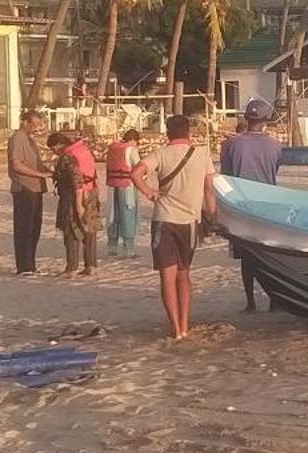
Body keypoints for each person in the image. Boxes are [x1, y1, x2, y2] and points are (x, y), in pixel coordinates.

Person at [132, 114, 216, 340]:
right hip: (189, 221)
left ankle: (176, 329)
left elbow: (135, 173)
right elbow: (209, 190)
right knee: (184, 274)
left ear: (168, 132)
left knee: (166, 277)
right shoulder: (203, 154)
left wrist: (148, 191)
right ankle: (186, 325)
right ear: (188, 131)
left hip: (164, 219)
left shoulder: (160, 153)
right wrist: (212, 216)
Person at [219, 97, 281, 312]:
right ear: (265, 121)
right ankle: (274, 300)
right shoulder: (275, 145)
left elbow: (225, 176)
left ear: (246, 119)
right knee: (270, 254)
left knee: (247, 258)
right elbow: (275, 171)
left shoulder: (231, 144)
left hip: (241, 206)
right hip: (267, 205)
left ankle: (250, 301)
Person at [46, 132, 98, 276]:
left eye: (53, 148)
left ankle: (72, 267)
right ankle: (91, 265)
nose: (54, 152)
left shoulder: (67, 157)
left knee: (71, 230)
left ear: (59, 145)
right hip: (91, 192)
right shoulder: (83, 150)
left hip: (74, 196)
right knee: (89, 229)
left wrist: (78, 203)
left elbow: (76, 180)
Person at [7, 110, 50, 276]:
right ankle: (24, 266)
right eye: (35, 124)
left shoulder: (30, 139)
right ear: (25, 122)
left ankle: (31, 264)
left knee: (35, 228)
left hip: (36, 188)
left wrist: (49, 171)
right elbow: (16, 165)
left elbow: (37, 164)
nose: (37, 127)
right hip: (24, 188)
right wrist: (39, 174)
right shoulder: (17, 138)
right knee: (24, 228)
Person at [105, 129, 143, 258]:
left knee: (112, 215)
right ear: (133, 140)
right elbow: (139, 168)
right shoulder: (131, 150)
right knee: (128, 215)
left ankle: (112, 247)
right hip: (127, 187)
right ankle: (129, 249)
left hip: (112, 186)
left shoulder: (112, 149)